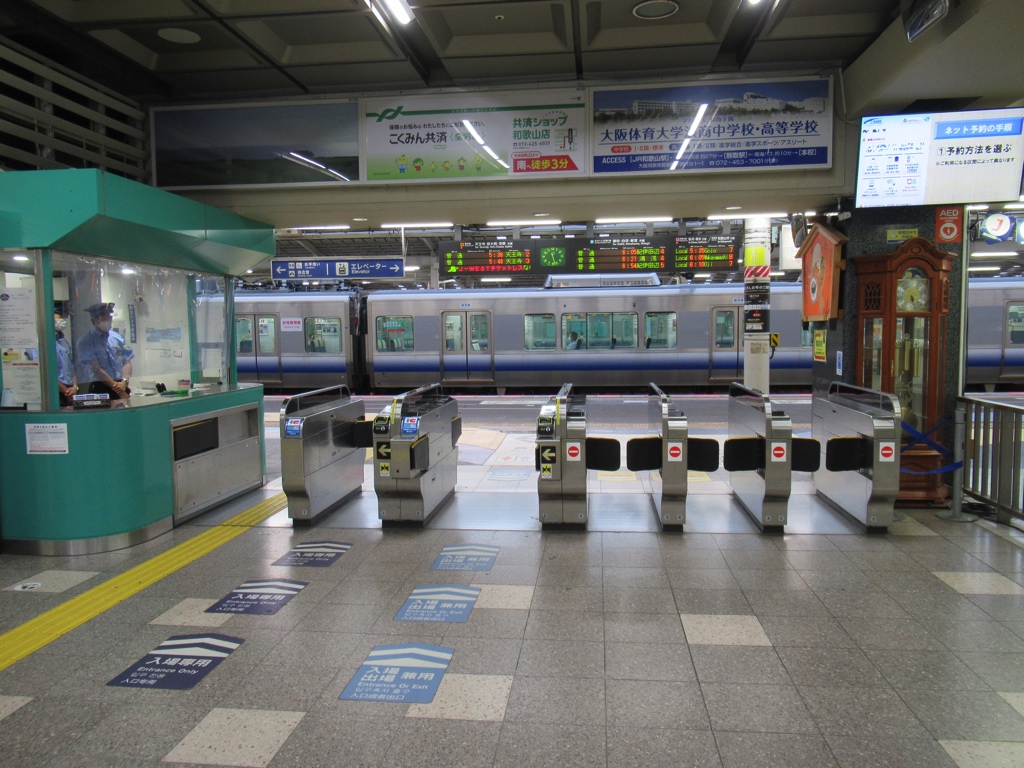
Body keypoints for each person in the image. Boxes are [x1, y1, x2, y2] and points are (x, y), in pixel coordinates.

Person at [76, 302, 134, 399]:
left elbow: (127, 362)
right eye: (104, 317)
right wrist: (119, 391)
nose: (108, 320)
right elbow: (96, 369)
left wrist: (124, 381)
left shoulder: (117, 337)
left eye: (110, 317)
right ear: (94, 319)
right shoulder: (86, 341)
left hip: (121, 385)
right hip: (101, 388)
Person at [54, 307, 78, 405]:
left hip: (69, 391)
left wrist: (75, 387)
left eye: (65, 317)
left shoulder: (64, 342)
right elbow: (45, 374)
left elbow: (71, 368)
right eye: (61, 316)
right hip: (55, 392)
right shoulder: (42, 343)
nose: (64, 320)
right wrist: (65, 391)